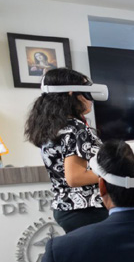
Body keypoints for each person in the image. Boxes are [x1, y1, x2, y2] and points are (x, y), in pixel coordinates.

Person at [24, 68, 108, 232]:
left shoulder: (54, 126)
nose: (91, 99)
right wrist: (114, 172)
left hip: (66, 207)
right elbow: (75, 177)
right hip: (86, 210)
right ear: (71, 93)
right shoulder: (75, 128)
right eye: (86, 92)